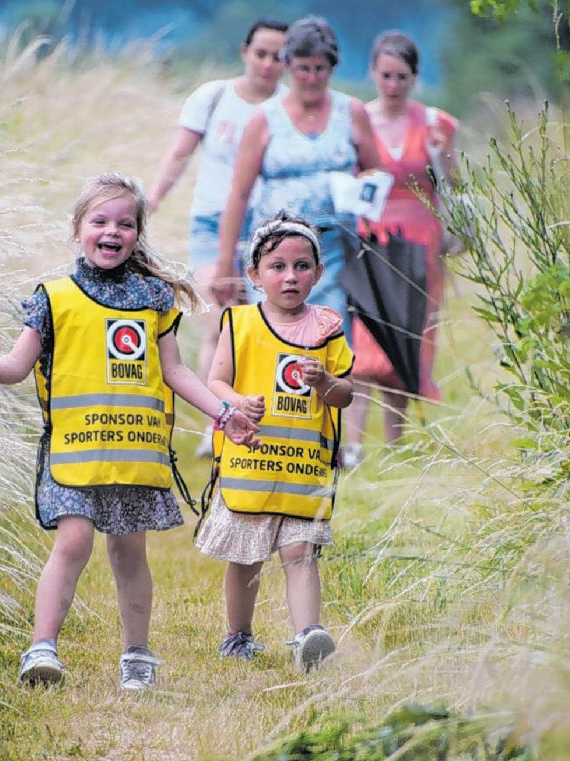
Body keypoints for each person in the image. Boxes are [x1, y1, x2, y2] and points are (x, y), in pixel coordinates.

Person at [0, 172, 259, 691]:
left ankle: (137, 655)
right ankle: (41, 648)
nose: (112, 231)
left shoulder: (154, 299)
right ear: (78, 229)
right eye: (100, 221)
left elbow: (176, 372)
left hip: (133, 456)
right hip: (73, 454)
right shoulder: (53, 297)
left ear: (138, 233)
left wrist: (223, 414)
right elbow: (17, 366)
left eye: (125, 223)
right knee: (72, 542)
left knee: (129, 552)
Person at [197, 212, 354, 672]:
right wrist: (237, 403)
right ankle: (238, 635)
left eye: (302, 266)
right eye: (277, 266)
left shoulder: (328, 328)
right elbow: (215, 381)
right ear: (254, 274)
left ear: (318, 273)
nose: (290, 276)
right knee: (245, 556)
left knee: (300, 552)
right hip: (252, 465)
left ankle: (308, 637)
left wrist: (324, 381)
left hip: (303, 470)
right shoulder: (241, 322)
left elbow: (345, 395)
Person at [147, 17, 288, 455]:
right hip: (212, 220)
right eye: (261, 53)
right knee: (221, 318)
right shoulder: (212, 97)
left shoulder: (288, 107)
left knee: (262, 322)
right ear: (245, 52)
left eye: (278, 56)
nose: (268, 64)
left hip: (268, 226)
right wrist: (151, 201)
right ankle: (218, 420)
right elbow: (179, 154)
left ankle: (262, 416)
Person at [212, 15, 381, 344]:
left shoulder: (351, 112)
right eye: (303, 68)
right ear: (288, 65)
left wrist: (359, 192)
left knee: (328, 339)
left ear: (332, 68)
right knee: (273, 338)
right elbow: (239, 194)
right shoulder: (265, 119)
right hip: (275, 247)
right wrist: (224, 263)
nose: (311, 77)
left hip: (333, 249)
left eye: (320, 69)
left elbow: (375, 173)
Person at [342, 31, 458, 466]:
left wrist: (441, 157)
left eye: (402, 77)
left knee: (406, 339)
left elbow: (454, 184)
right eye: (386, 75)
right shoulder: (356, 119)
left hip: (420, 241)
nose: (393, 85)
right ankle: (353, 445)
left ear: (414, 77)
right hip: (370, 239)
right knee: (364, 340)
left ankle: (396, 445)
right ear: (372, 72)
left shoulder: (435, 123)